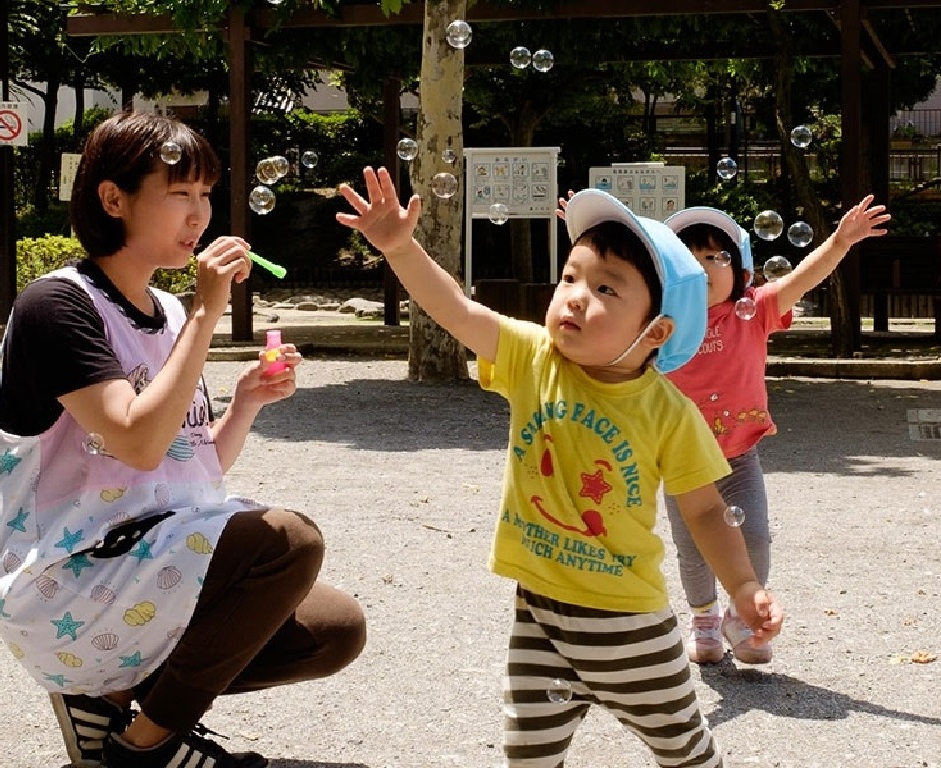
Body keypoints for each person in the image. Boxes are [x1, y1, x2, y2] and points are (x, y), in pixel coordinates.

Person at [337, 166, 783, 768]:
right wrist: (399, 246)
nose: (576, 294)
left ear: (657, 331)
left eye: (607, 289)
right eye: (571, 276)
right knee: (529, 752)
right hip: (539, 612)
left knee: (683, 749)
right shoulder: (532, 357)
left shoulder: (668, 412)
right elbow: (457, 311)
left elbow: (705, 507)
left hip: (629, 625)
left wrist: (745, 585)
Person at [0, 112, 366, 768]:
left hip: (143, 565)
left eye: (207, 195)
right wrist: (211, 312)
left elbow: (186, 460)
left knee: (333, 631)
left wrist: (243, 404)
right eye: (180, 194)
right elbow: (136, 442)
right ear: (113, 199)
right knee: (288, 542)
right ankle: (146, 747)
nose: (200, 215)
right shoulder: (56, 308)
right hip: (67, 578)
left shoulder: (172, 312)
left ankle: (109, 702)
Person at [659, 197, 888, 665]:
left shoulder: (755, 309)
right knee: (691, 550)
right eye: (689, 258)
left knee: (756, 537)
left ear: (741, 271)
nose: (702, 268)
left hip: (738, 456)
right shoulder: (662, 324)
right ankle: (703, 618)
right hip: (682, 460)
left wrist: (840, 240)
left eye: (714, 257)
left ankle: (742, 618)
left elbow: (804, 276)